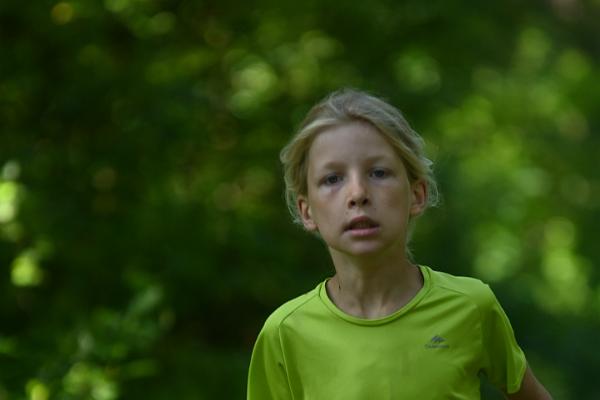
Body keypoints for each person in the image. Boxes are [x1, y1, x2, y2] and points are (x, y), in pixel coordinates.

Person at [247, 88, 552, 399]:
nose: (357, 193)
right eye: (332, 179)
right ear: (307, 211)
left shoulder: (472, 306)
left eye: (378, 173)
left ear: (416, 195)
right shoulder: (284, 332)